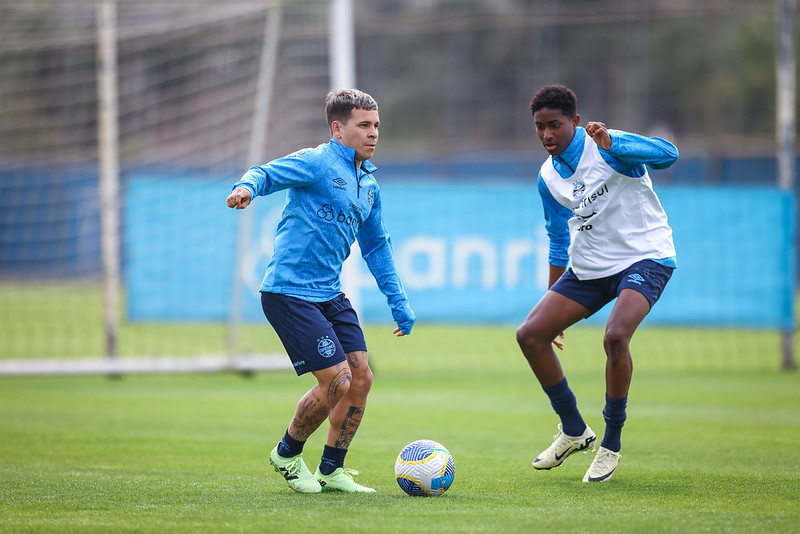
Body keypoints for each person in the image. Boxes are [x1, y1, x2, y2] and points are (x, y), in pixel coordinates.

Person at [226, 89, 415, 494]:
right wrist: (246, 188)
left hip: (329, 293)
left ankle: (332, 469)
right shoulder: (316, 162)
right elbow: (266, 172)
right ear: (337, 128)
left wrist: (398, 302)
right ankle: (288, 454)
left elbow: (377, 246)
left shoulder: (368, 185)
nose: (373, 133)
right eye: (363, 125)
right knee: (338, 381)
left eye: (376, 125)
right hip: (289, 292)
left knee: (361, 377)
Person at [517, 84, 678, 482]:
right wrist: (551, 298)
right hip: (590, 267)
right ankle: (573, 430)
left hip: (645, 255)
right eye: (539, 127)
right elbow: (557, 239)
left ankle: (611, 444)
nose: (547, 135)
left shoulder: (606, 146)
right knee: (531, 335)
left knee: (615, 336)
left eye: (554, 125)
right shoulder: (547, 177)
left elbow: (668, 154)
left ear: (574, 121)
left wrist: (615, 141)